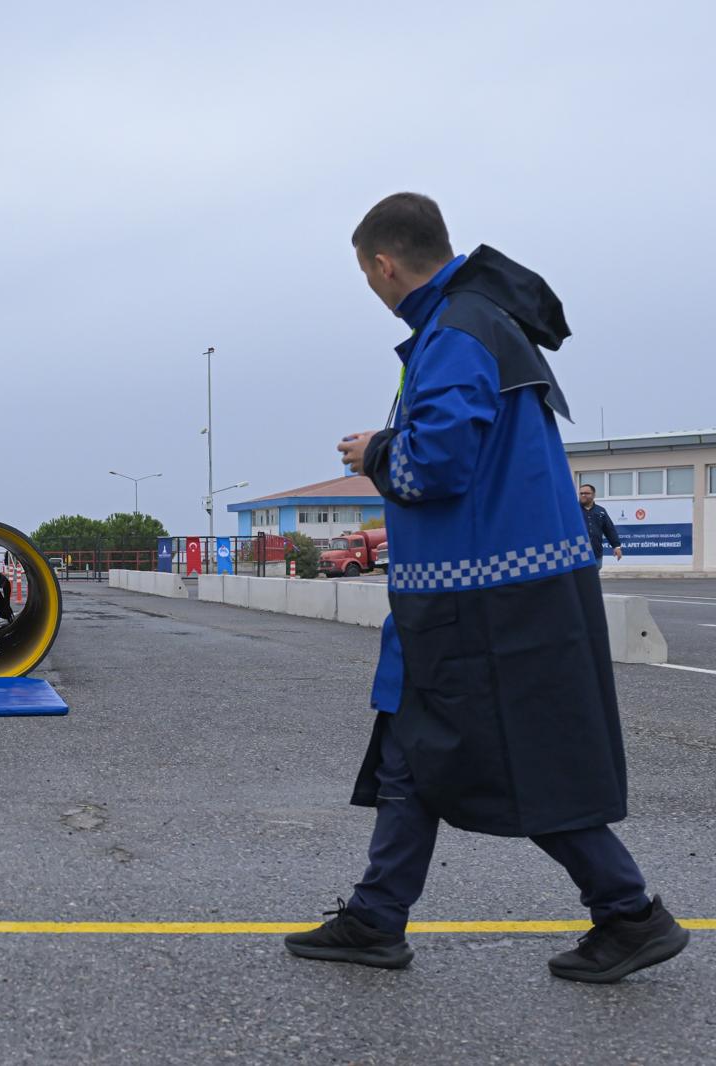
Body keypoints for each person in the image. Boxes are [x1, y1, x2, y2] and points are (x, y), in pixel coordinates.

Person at [287, 193, 687, 983]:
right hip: (468, 592)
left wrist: (374, 451)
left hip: (491, 602)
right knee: (412, 751)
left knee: (518, 760)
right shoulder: (473, 322)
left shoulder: (458, 333)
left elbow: (436, 465)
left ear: (382, 264)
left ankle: (629, 912)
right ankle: (376, 918)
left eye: (365, 275)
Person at [579, 484, 624, 566]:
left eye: (586, 493)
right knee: (579, 578)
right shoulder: (573, 510)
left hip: (596, 553)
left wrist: (616, 546)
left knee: (594, 577)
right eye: (581, 493)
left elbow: (609, 530)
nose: (583, 495)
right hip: (578, 555)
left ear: (594, 495)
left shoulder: (601, 511)